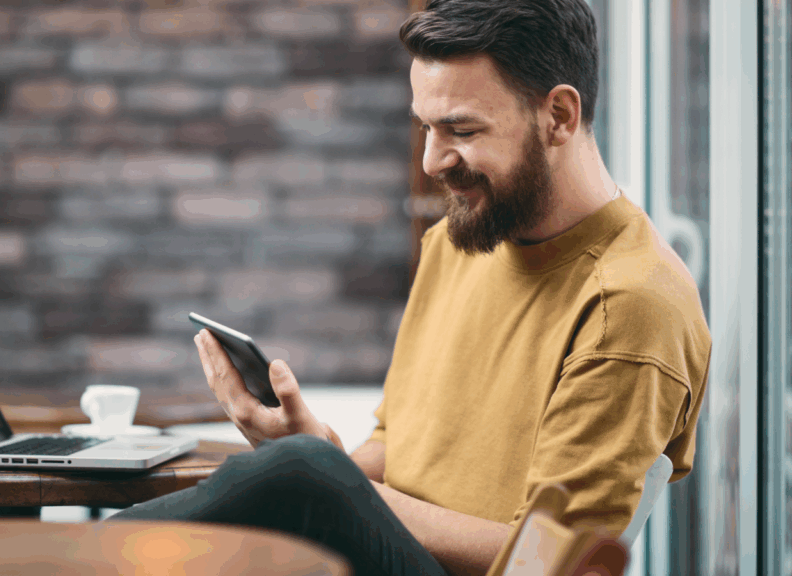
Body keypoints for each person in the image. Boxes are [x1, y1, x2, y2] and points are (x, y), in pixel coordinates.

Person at [110, 1, 711, 575]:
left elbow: (553, 560)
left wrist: (328, 479)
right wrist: (324, 454)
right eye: (425, 126)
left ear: (559, 116)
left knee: (297, 474)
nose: (430, 160)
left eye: (461, 129)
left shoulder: (631, 306)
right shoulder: (460, 241)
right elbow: (399, 447)